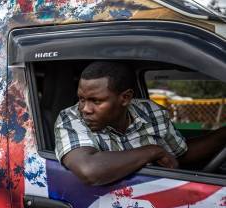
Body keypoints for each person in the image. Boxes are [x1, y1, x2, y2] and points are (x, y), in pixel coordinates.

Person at [54, 61, 225, 185]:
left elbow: (180, 154)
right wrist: (153, 151)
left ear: (125, 98)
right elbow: (90, 170)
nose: (85, 109)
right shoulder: (72, 118)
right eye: (82, 99)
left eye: (96, 101)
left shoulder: (151, 111)